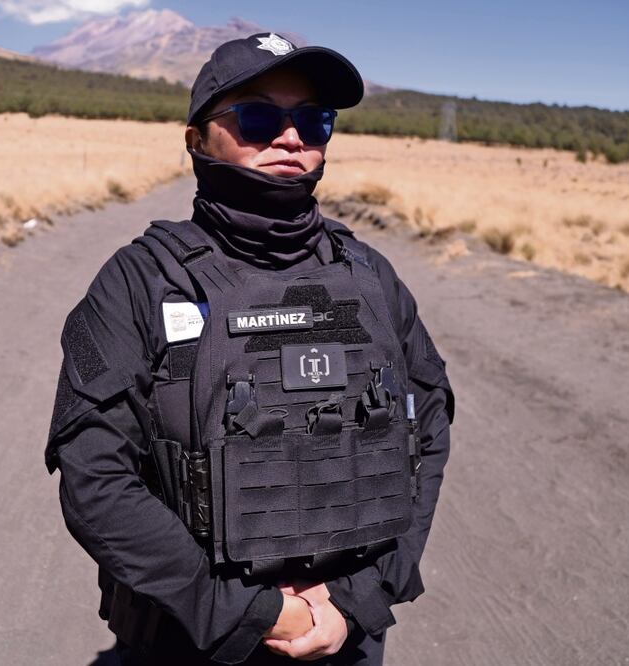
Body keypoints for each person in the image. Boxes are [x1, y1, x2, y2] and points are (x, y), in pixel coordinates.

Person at [46, 32, 454, 666]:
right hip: (187, 641)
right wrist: (254, 613)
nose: (291, 139)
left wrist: (354, 601)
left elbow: (427, 431)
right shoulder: (137, 282)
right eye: (259, 117)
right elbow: (94, 479)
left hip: (343, 637)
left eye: (314, 120)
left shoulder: (370, 276)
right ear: (196, 138)